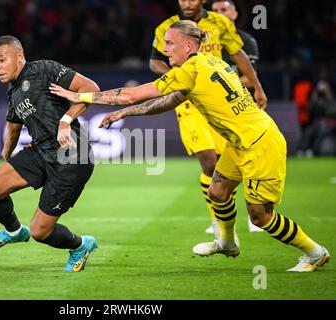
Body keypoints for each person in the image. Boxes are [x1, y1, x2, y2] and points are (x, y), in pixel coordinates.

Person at [50, 21, 330, 272]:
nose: (165, 49)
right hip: (240, 142)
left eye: (170, 44)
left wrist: (78, 95)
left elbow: (130, 94)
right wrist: (127, 114)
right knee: (218, 192)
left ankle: (314, 252)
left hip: (259, 144)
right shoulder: (209, 62)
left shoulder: (190, 69)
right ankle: (227, 243)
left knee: (260, 217)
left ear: (188, 45)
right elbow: (170, 101)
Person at [0, 35, 99, 272]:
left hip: (72, 158)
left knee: (40, 232)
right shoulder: (13, 91)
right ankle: (14, 231)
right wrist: (6, 152)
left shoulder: (44, 69)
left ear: (19, 56)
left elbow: (91, 89)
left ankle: (80, 245)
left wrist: (65, 121)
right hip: (41, 153)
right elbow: (13, 126)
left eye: (2, 60)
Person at [149, 0, 267, 238]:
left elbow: (237, 54)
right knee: (209, 162)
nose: (187, 3)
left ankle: (235, 215)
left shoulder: (219, 23)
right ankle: (218, 221)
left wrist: (257, 86)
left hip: (216, 102)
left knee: (227, 164)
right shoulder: (167, 28)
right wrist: (178, 77)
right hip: (188, 103)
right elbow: (154, 62)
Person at [212, 0, 262, 232]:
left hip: (242, 109)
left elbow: (249, 77)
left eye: (224, 10)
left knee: (249, 162)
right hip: (216, 111)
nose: (219, 14)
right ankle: (221, 219)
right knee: (219, 163)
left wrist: (221, 83)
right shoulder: (208, 42)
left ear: (234, 13)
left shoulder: (245, 42)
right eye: (216, 11)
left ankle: (257, 213)